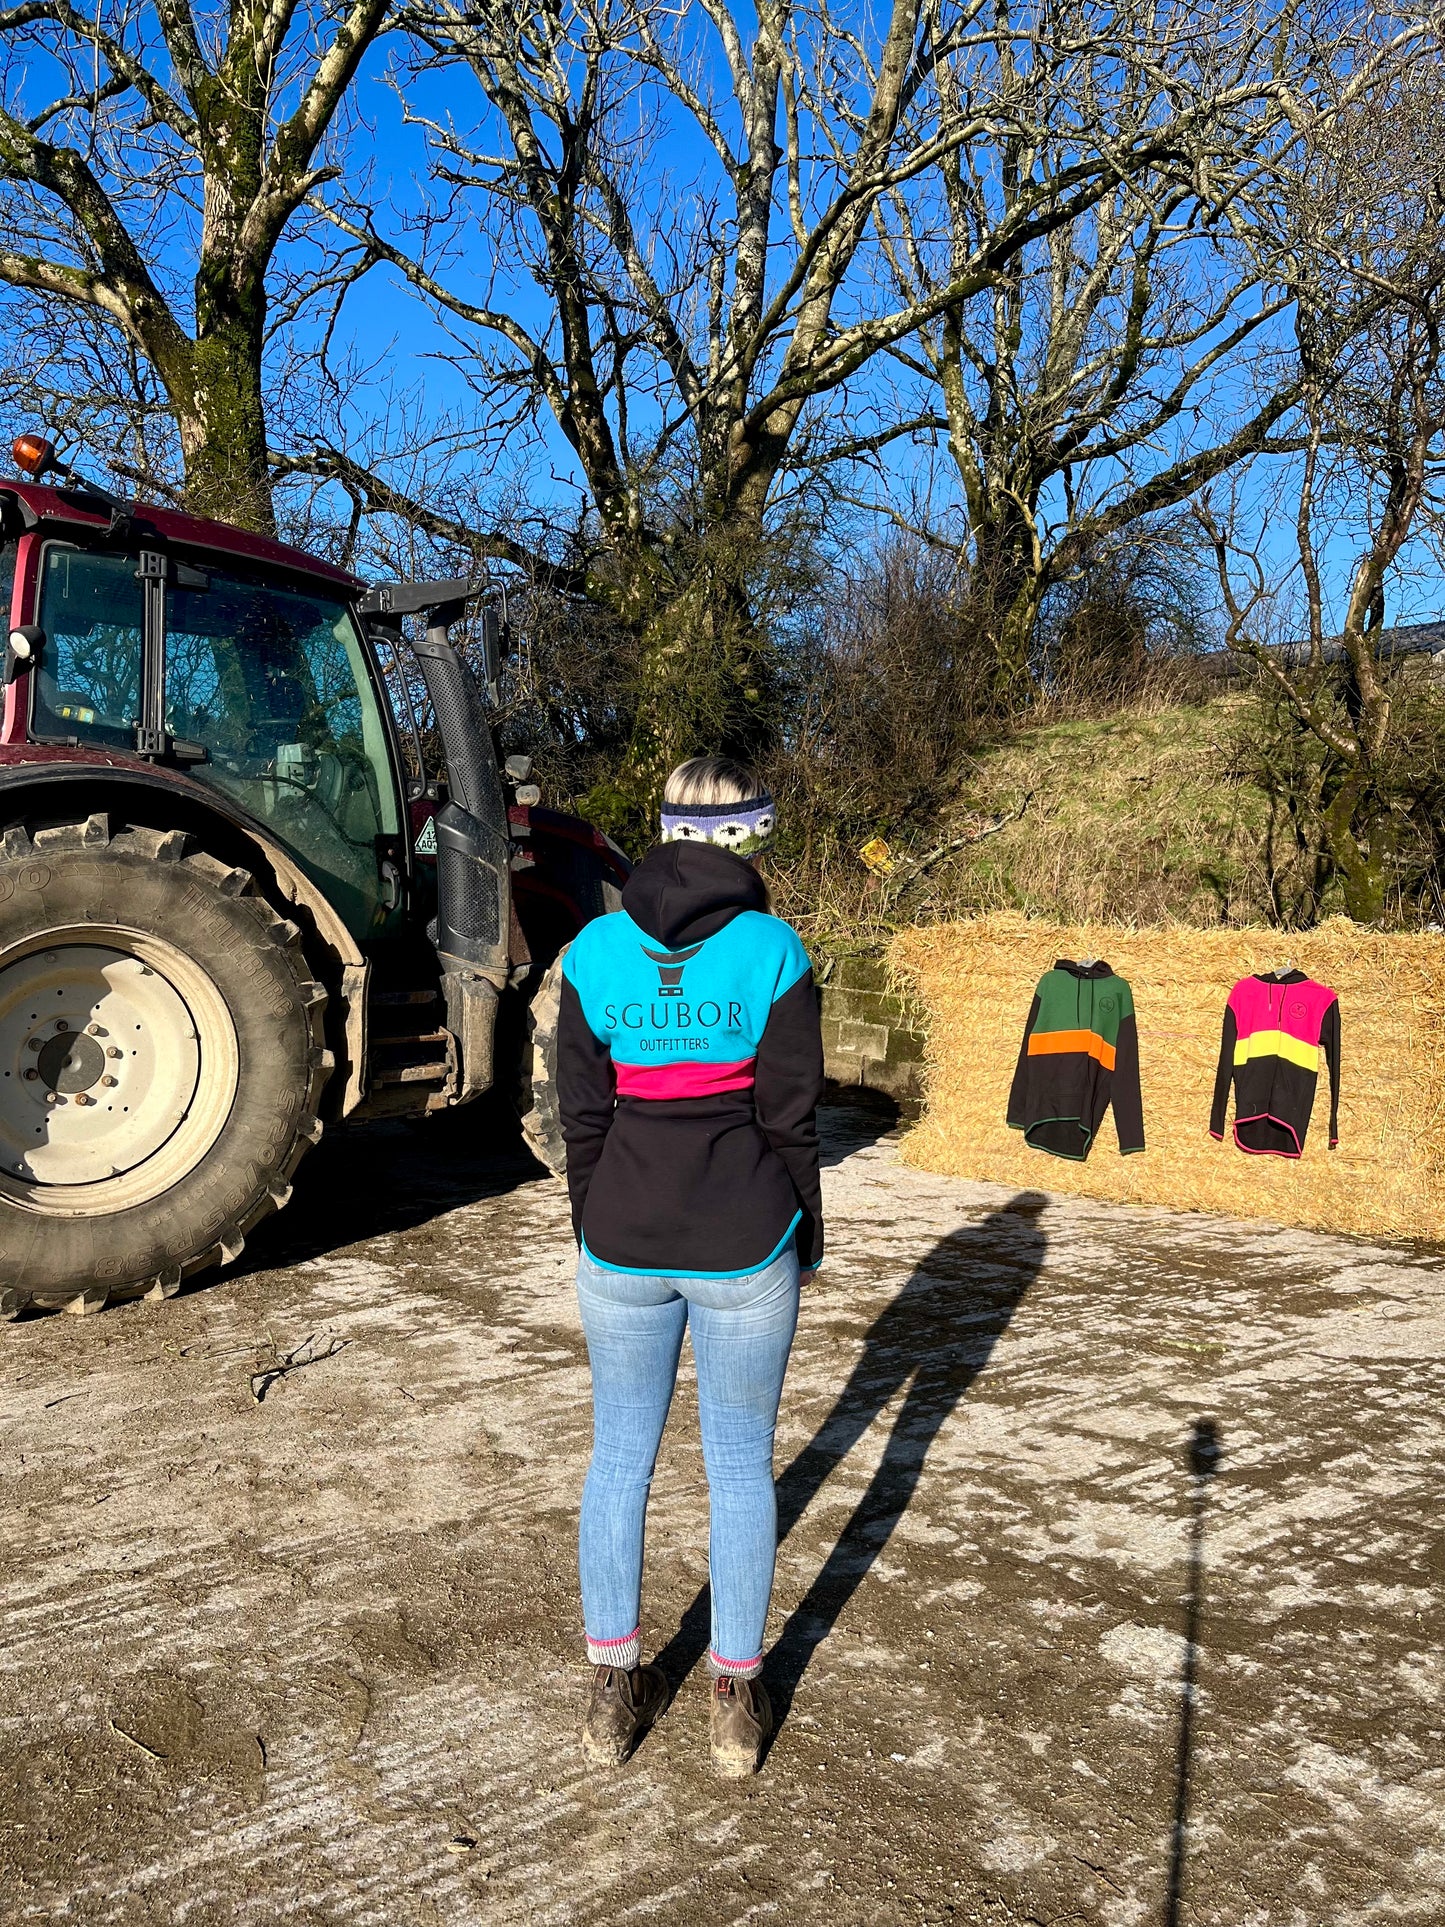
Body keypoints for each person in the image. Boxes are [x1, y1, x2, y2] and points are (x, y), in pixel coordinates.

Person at [557, 755, 825, 1777]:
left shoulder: (592, 946)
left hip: (619, 1241)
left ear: (663, 831)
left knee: (617, 1460)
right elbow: (791, 1115)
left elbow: (581, 1115)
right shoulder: (772, 949)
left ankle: (613, 1693)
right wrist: (802, 1230)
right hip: (741, 1240)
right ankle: (733, 1701)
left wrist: (596, 1218)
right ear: (749, 839)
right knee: (738, 1470)